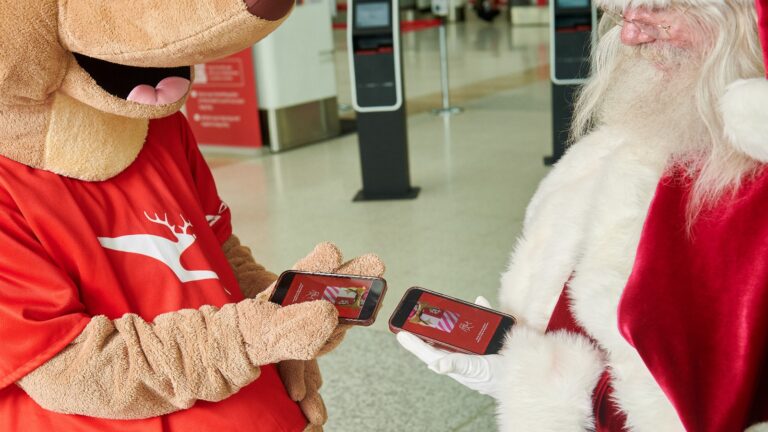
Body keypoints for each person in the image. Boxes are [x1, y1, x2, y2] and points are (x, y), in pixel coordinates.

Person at [0, 1, 383, 431]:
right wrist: (245, 338)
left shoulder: (160, 127)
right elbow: (70, 369)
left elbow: (216, 251)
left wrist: (280, 315)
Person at [399, 0, 768, 430]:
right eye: (621, 15)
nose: (630, 36)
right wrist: (527, 377)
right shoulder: (609, 153)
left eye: (657, 11)